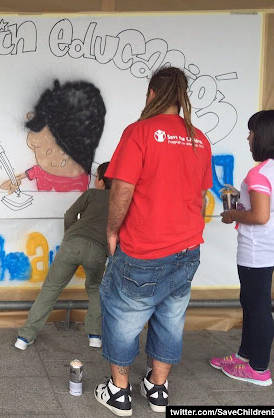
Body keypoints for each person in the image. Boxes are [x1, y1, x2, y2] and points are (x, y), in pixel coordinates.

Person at [95, 66, 213, 416]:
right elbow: (202, 196)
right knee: (170, 317)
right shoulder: (200, 139)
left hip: (144, 249)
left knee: (123, 316)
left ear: (151, 95)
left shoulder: (139, 132)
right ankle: (157, 389)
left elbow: (122, 188)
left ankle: (119, 392)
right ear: (181, 98)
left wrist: (113, 229)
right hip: (187, 249)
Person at [210, 110, 274, 386]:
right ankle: (245, 356)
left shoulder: (259, 173)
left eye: (251, 132)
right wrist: (240, 197)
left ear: (264, 136)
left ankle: (259, 369)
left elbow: (259, 216)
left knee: (257, 307)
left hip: (257, 247)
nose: (248, 138)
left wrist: (232, 215)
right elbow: (268, 208)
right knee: (252, 302)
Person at [15, 162, 111, 350]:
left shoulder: (91, 194)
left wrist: (69, 236)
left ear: (100, 181)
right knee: (96, 290)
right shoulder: (120, 200)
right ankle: (94, 336)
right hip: (98, 251)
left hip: (72, 245)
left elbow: (69, 215)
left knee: (50, 289)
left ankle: (24, 338)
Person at [0, 80, 106, 193]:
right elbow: (21, 177)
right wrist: (14, 181)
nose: (55, 162)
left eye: (65, 154)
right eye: (46, 151)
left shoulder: (85, 176)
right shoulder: (41, 172)